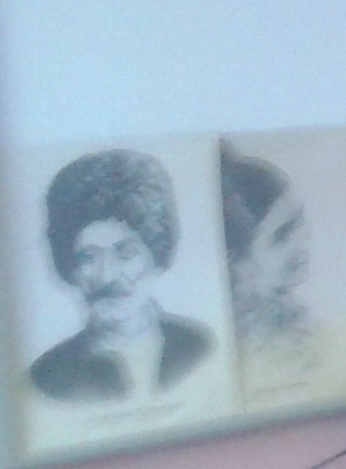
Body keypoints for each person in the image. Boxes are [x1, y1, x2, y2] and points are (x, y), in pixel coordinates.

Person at [29, 148, 215, 401]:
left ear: (155, 254)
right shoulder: (48, 379)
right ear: (69, 267)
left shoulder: (200, 346)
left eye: (126, 253)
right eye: (88, 257)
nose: (107, 275)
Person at [222, 143, 317, 382]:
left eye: (299, 221)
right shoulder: (238, 344)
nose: (302, 240)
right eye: (281, 235)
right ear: (235, 262)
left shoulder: (294, 320)